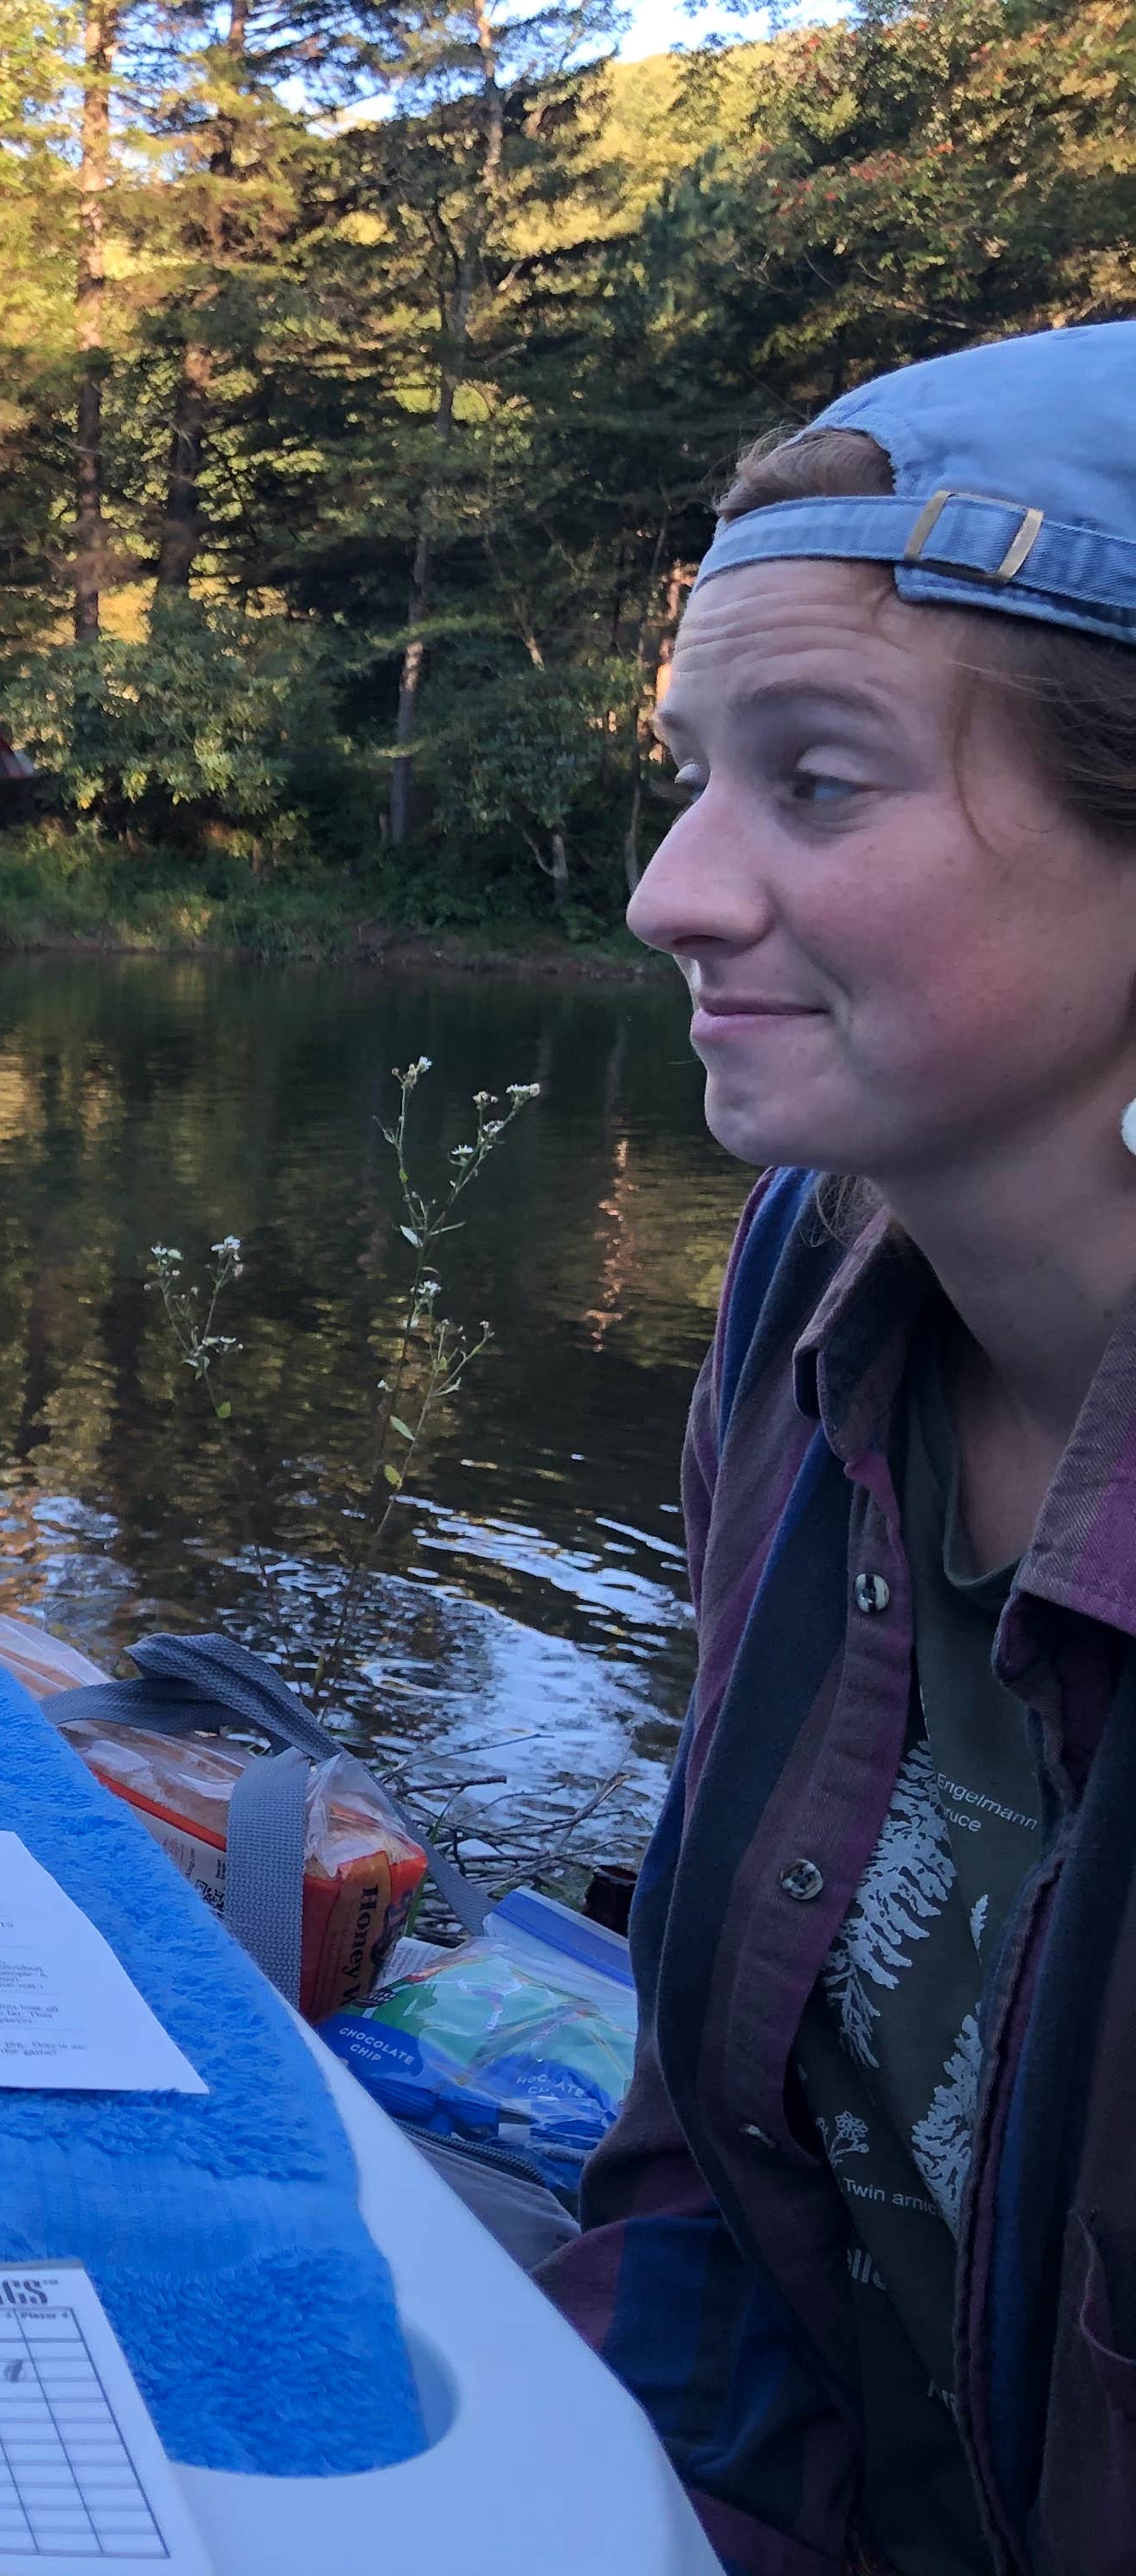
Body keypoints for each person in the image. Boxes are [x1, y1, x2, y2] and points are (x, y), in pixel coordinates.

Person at [544, 320, 1136, 2573]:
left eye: (820, 780)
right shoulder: (811, 1292)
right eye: (696, 773)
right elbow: (710, 2149)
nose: (670, 893)